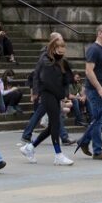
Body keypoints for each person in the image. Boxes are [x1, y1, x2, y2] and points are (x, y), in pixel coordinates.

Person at [22, 35, 75, 165]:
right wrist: (35, 92)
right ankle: (58, 154)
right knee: (55, 124)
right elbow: (42, 78)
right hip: (47, 94)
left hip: (56, 95)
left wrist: (64, 94)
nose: (62, 50)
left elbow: (67, 78)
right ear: (53, 47)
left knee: (52, 126)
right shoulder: (46, 60)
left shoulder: (61, 61)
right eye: (59, 48)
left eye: (63, 48)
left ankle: (30, 147)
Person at [77, 24, 102, 160]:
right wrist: (99, 89)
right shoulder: (94, 49)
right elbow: (88, 71)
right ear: (100, 33)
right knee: (98, 120)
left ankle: (84, 140)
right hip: (96, 90)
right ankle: (97, 151)